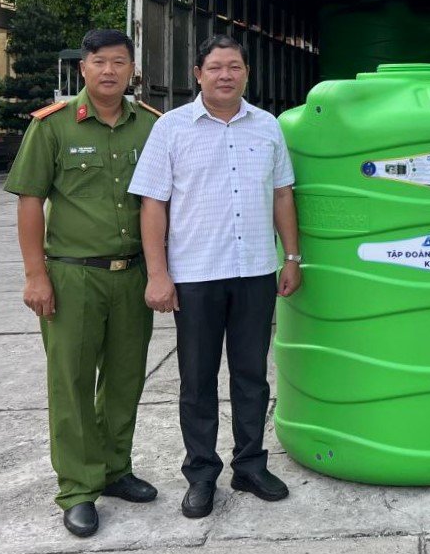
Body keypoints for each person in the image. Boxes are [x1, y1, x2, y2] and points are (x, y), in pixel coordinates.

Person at [129, 34, 302, 519]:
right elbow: (153, 204)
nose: (226, 74)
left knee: (252, 377)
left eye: (235, 66)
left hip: (254, 273)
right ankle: (201, 473)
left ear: (246, 73)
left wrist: (292, 258)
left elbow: (283, 195)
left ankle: (249, 466)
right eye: (216, 66)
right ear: (198, 74)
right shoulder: (172, 129)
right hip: (195, 276)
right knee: (198, 381)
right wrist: (158, 274)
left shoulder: (267, 126)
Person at [4, 29, 161, 538]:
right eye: (100, 62)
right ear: (83, 69)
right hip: (72, 275)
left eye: (120, 62)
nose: (110, 71)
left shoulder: (152, 126)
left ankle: (116, 469)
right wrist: (35, 275)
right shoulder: (51, 128)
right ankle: (77, 488)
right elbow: (29, 200)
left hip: (133, 273)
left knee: (124, 379)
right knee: (70, 383)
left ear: (132, 69)